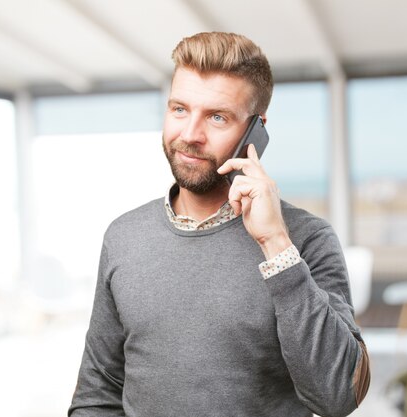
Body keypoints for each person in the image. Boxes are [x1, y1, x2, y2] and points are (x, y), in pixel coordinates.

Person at [69, 32, 370, 417]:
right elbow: (97, 393)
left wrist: (275, 243)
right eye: (179, 109)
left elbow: (337, 396)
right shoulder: (124, 236)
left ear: (255, 131)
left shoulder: (305, 239)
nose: (190, 135)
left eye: (216, 117)